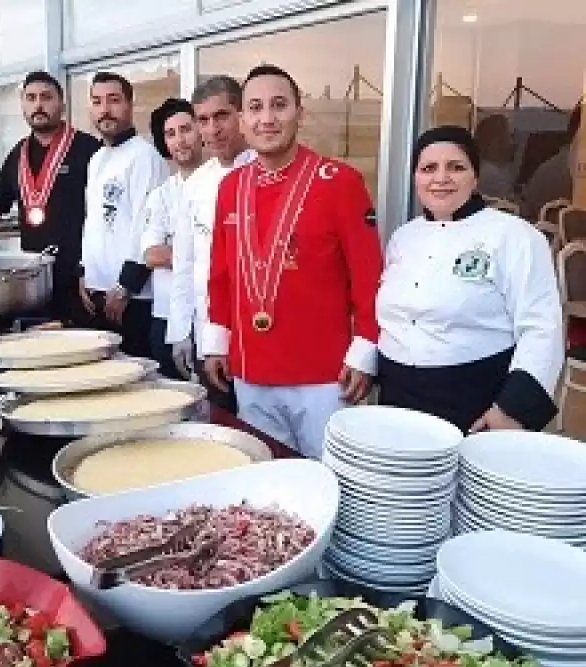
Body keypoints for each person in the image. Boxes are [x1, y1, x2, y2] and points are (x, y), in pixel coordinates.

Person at [202, 65, 381, 457]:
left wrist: (365, 350)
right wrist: (217, 341)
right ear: (243, 120)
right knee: (270, 485)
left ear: (300, 112)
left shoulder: (339, 181)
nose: (267, 118)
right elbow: (221, 274)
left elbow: (368, 275)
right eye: (256, 108)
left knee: (331, 484)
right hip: (251, 369)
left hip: (325, 374)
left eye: (279, 105)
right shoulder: (231, 186)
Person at [377, 125, 564, 434]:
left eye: (456, 167)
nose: (441, 178)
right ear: (415, 178)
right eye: (428, 168)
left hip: (473, 400)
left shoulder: (514, 236)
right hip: (397, 398)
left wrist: (512, 409)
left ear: (475, 177)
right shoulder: (403, 237)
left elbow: (542, 328)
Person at [0, 71, 100, 322]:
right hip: (33, 283)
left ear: (62, 104)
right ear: (22, 105)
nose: (38, 105)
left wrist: (92, 271)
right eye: (30, 98)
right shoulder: (17, 155)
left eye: (46, 97)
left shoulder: (89, 149)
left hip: (79, 280)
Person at [167, 76, 255, 408]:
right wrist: (180, 332)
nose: (213, 129)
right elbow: (185, 264)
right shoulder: (196, 185)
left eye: (222, 116)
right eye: (203, 120)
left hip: (255, 337)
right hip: (207, 334)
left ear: (241, 116)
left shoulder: (263, 175)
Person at [76, 72, 170, 358]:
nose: (105, 109)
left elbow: (148, 225)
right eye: (97, 101)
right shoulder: (96, 159)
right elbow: (93, 221)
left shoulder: (144, 157)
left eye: (114, 100)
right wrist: (84, 272)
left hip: (132, 298)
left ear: (130, 105)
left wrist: (127, 286)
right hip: (97, 292)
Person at [140, 98, 203, 379]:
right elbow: (151, 254)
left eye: (186, 129)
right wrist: (202, 253)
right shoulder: (162, 195)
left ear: (200, 131)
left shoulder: (223, 183)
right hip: (165, 316)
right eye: (170, 134)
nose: (180, 140)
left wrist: (176, 252)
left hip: (209, 319)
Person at [473, 114, 515, 200]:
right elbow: (513, 207)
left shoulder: (481, 167)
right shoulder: (491, 174)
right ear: (495, 142)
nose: (513, 143)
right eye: (509, 136)